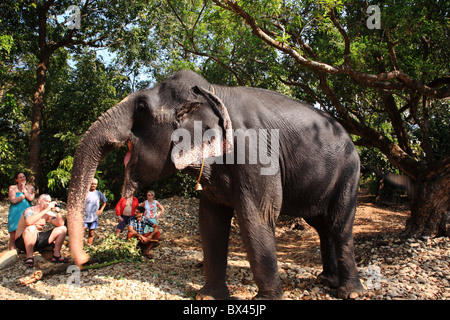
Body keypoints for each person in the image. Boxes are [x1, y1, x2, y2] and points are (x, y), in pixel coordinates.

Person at [15, 194, 68, 268]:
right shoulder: (30, 210)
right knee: (31, 228)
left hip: (36, 239)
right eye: (46, 201)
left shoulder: (48, 213)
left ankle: (56, 255)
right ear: (39, 201)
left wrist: (58, 211)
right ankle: (29, 257)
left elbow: (60, 224)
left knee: (63, 229)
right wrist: (46, 210)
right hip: (22, 241)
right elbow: (29, 222)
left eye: (49, 202)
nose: (48, 203)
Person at [8, 172, 35, 250]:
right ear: (16, 179)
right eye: (20, 177)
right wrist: (24, 195)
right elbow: (14, 200)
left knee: (28, 233)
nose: (23, 178)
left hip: (27, 214)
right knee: (13, 236)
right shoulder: (12, 188)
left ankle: (27, 252)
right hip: (15, 214)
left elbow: (30, 198)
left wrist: (24, 189)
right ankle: (11, 254)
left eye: (24, 177)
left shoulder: (30, 187)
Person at [84, 178, 107, 245]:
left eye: (95, 184)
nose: (93, 185)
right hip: (85, 216)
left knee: (91, 233)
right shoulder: (85, 193)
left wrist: (101, 210)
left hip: (94, 217)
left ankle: (89, 246)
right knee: (82, 231)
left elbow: (105, 201)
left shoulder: (98, 193)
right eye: (92, 184)